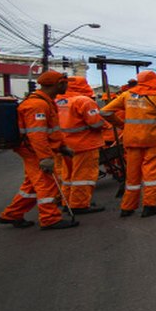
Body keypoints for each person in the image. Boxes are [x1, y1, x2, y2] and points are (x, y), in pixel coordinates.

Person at [0, 71, 79, 230]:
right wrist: (45, 158)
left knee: (32, 185)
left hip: (35, 150)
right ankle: (50, 219)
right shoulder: (38, 105)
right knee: (46, 184)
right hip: (34, 151)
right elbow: (37, 134)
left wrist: (61, 146)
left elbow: (52, 130)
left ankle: (12, 214)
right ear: (59, 84)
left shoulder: (45, 101)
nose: (67, 86)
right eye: (65, 82)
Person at [100, 70, 156, 218]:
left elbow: (104, 112)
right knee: (152, 174)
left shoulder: (127, 96)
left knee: (132, 176)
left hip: (132, 141)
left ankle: (127, 207)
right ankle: (149, 206)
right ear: (154, 81)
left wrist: (122, 125)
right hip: (154, 141)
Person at [55, 76, 107, 214]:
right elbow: (96, 123)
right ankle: (79, 204)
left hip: (64, 145)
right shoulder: (84, 101)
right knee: (83, 176)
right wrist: (104, 123)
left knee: (68, 176)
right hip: (84, 144)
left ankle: (67, 202)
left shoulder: (58, 101)